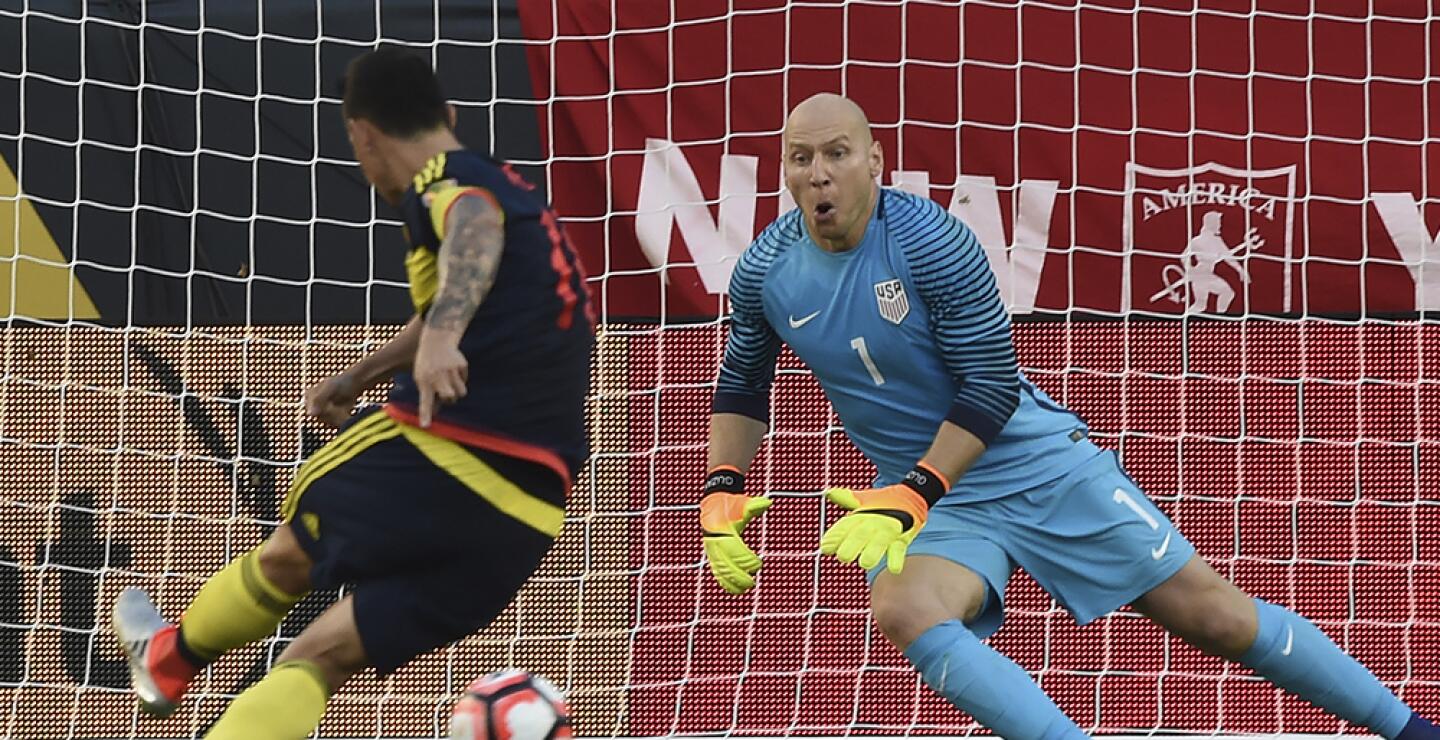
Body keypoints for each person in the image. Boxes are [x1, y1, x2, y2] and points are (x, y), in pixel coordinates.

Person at [699, 92, 1438, 740]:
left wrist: (912, 493)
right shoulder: (767, 268)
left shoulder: (931, 242)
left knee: (1217, 618)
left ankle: (1410, 730)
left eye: (837, 153)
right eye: (801, 158)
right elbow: (740, 386)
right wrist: (722, 487)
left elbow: (990, 386)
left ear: (875, 161)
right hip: (937, 500)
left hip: (1030, 465)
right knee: (904, 606)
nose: (818, 172)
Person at [112, 47, 593, 739]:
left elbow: (473, 227)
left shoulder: (449, 184)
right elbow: (462, 289)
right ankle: (170, 665)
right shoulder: (515, 192)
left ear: (359, 133)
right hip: (525, 519)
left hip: (455, 454)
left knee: (288, 550)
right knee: (319, 656)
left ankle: (168, 660)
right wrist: (358, 375)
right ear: (450, 115)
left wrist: (441, 338)